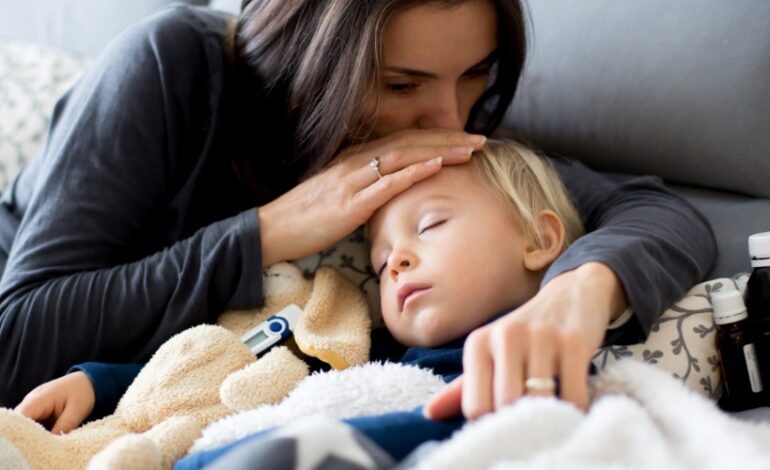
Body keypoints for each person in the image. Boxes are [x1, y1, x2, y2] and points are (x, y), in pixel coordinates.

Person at [0, 0, 715, 421]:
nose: (449, 117)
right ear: (313, 66)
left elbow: (652, 208)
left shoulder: (435, 134)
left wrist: (580, 292)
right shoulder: (170, 67)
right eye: (401, 84)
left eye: (475, 75)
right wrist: (273, 230)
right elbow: (18, 336)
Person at [17, 141, 588, 458]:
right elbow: (221, 364)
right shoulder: (356, 341)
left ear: (539, 239)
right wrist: (101, 383)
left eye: (431, 225)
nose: (396, 262)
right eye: (379, 261)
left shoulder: (533, 358)